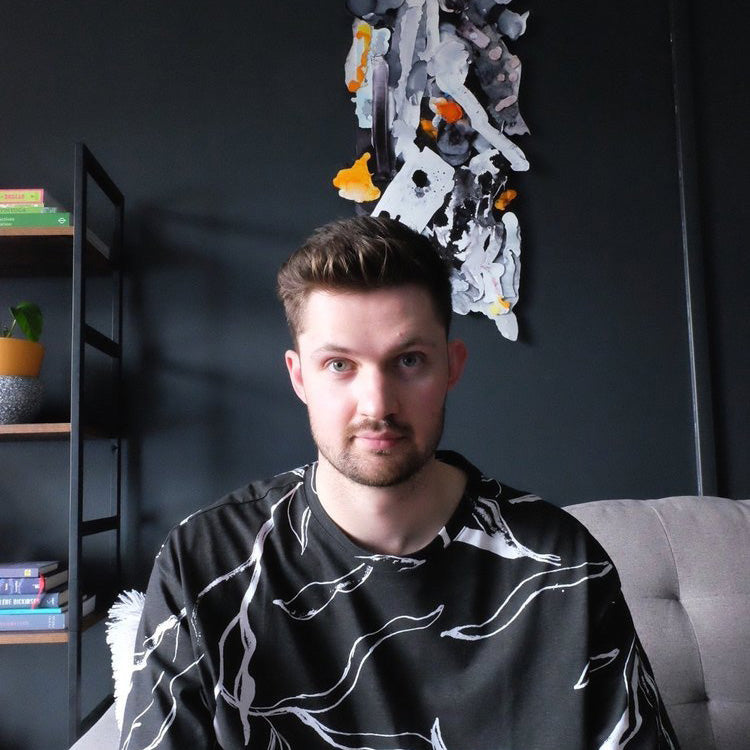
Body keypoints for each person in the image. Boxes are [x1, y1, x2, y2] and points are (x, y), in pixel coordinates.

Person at [120, 216, 679, 749]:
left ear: (452, 366)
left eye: (408, 361)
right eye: (339, 365)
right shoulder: (206, 562)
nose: (377, 405)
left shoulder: (563, 563)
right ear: (299, 377)